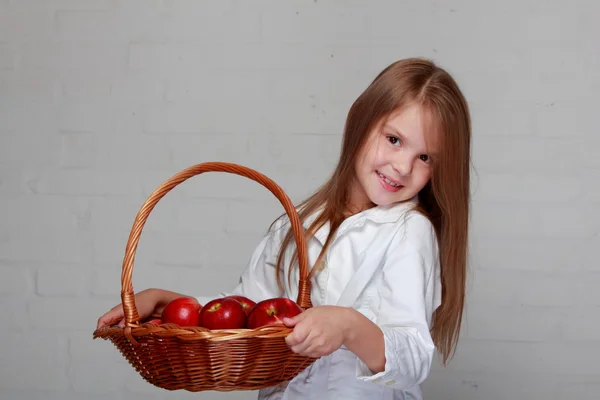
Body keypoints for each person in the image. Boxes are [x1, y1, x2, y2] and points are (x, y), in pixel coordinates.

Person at [97, 57, 471, 399]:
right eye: (393, 140)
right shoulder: (296, 226)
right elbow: (248, 317)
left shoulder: (408, 233)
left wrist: (349, 327)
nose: (403, 167)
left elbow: (413, 360)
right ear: (360, 123)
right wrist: (171, 304)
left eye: (424, 157)